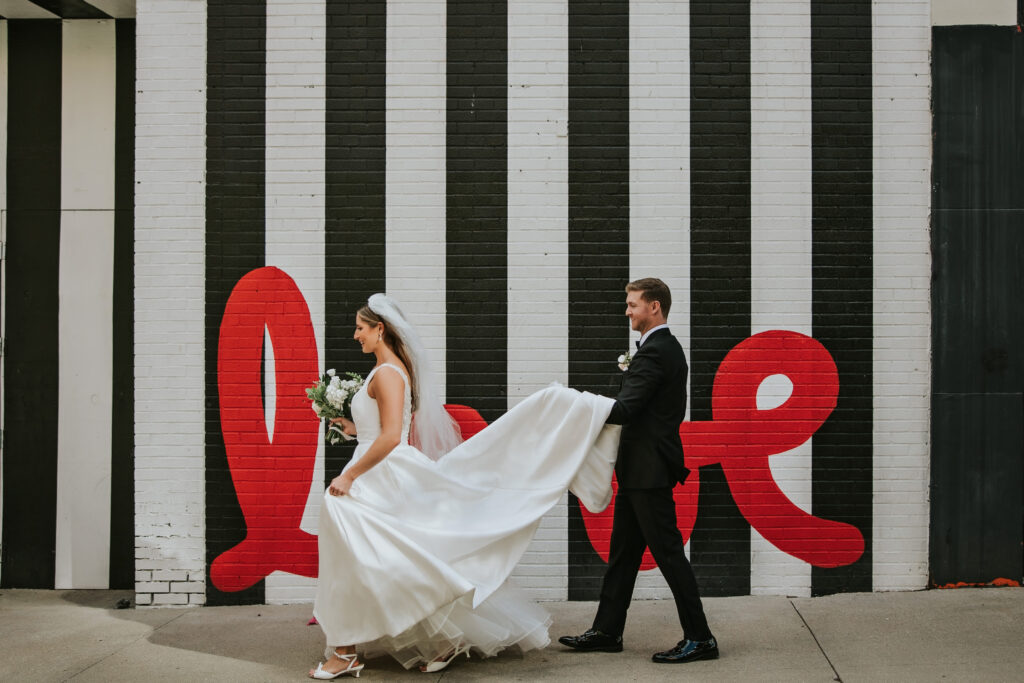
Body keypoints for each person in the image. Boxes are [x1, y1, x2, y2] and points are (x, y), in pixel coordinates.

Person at [309, 294, 620, 679]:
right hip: (381, 469)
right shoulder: (384, 371)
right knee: (398, 554)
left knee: (363, 548)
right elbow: (383, 429)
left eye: (360, 328)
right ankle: (429, 640)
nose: (355, 335)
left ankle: (347, 650)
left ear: (380, 329)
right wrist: (355, 428)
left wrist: (349, 476)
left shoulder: (388, 373)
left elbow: (390, 437)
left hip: (383, 473)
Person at [558, 278, 718, 664]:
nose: (627, 311)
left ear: (655, 308)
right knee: (624, 554)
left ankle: (701, 638)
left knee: (668, 553)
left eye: (632, 305)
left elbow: (626, 409)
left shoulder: (657, 352)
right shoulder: (660, 349)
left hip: (649, 471)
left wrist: (573, 405)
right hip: (639, 470)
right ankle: (607, 631)